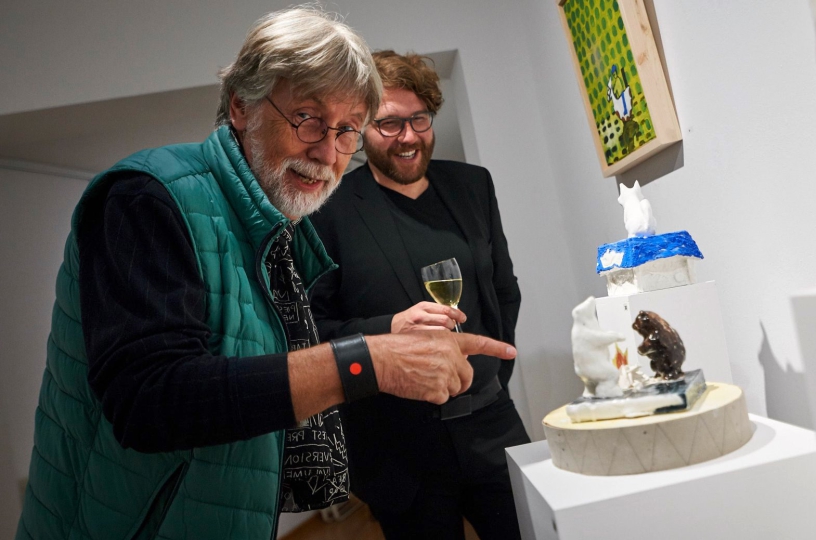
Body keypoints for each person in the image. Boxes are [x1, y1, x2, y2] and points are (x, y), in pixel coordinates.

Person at [15, 9, 516, 540]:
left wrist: (385, 341)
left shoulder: (279, 226)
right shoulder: (148, 195)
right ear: (240, 105)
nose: (328, 151)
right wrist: (370, 360)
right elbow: (149, 400)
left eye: (347, 130)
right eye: (308, 118)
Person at [309, 50, 529, 539]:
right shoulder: (327, 210)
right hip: (396, 446)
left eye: (419, 119)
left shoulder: (472, 185)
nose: (408, 136)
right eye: (389, 123)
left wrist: (491, 374)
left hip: (491, 424)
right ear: (358, 130)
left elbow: (503, 291)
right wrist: (390, 330)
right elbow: (314, 332)